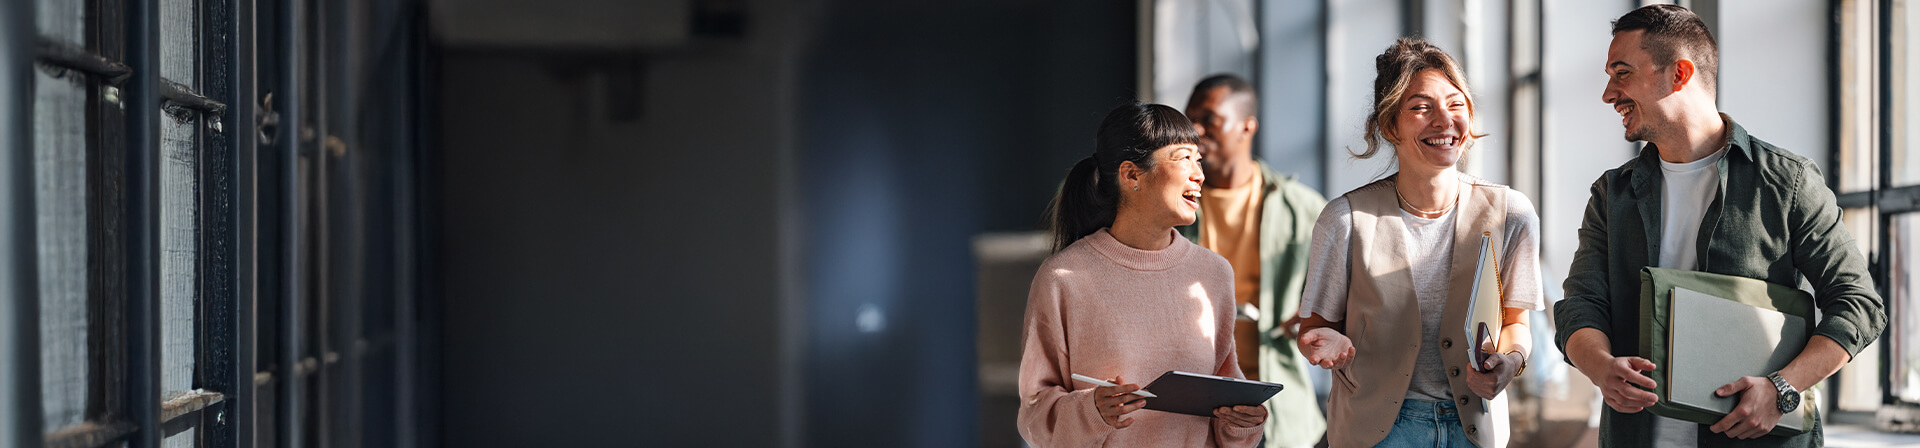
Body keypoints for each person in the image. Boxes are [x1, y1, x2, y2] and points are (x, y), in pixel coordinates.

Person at [1553, 5, 1887, 447]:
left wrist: (1782, 390)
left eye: (1622, 73)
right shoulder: (1612, 195)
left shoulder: (1788, 183)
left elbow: (1859, 304)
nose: (1608, 93)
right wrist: (1600, 367)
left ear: (1679, 74)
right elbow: (1580, 306)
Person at [1295, 38, 1544, 448]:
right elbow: (1314, 329)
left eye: (1455, 104)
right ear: (1389, 125)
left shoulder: (1510, 212)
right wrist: (1329, 342)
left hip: (1476, 430)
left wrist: (1510, 362)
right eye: (1421, 107)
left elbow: (1516, 323)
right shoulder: (1344, 219)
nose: (1444, 120)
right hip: (1377, 432)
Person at [1017, 101, 1267, 447]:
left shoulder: (1213, 274)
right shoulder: (1063, 278)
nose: (1200, 174)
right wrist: (1091, 411)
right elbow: (1033, 416)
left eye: (1198, 159)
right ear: (1132, 175)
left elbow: (1226, 408)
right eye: (1183, 158)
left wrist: (1243, 423)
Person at [1176, 74, 1329, 448]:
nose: (1194, 130)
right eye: (1189, 118)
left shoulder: (1304, 209)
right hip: (1190, 408)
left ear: (1247, 126)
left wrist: (1315, 317)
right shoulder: (1173, 207)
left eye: (1209, 119)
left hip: (1279, 413)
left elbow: (1348, 298)